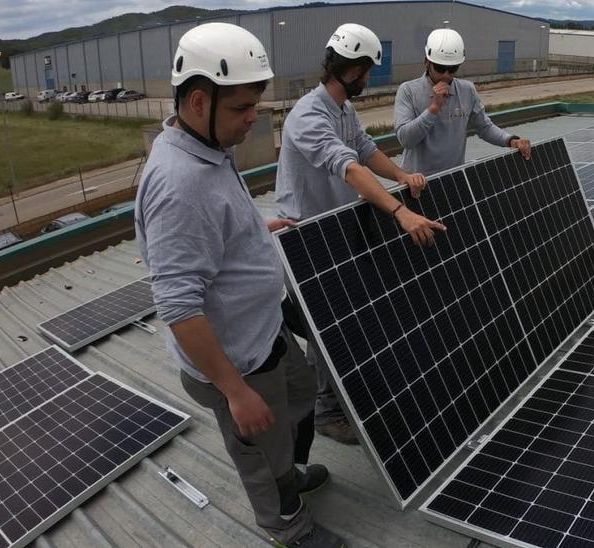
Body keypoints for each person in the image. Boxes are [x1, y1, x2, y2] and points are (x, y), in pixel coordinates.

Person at [134, 23, 343, 548]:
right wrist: (234, 392)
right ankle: (286, 525)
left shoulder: (207, 147)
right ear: (199, 101)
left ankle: (289, 474)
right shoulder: (178, 185)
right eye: (242, 108)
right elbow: (179, 307)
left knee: (297, 397)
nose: (255, 118)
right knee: (261, 447)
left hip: (262, 332)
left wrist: (257, 230)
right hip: (237, 363)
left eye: (256, 104)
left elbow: (220, 225)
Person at [274, 23, 445, 445]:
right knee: (323, 327)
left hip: (336, 226)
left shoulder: (344, 111)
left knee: (337, 320)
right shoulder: (308, 116)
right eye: (365, 71)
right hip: (306, 235)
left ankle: (336, 398)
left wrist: (402, 174)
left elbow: (366, 151)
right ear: (349, 70)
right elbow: (349, 168)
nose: (367, 79)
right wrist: (400, 211)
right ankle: (326, 412)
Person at [394, 27, 532, 174]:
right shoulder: (408, 91)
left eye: (453, 68)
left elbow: (484, 127)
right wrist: (433, 108)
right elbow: (406, 140)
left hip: (453, 177)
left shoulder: (467, 90)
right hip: (416, 181)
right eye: (440, 68)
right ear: (426, 62)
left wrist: (511, 140)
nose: (446, 75)